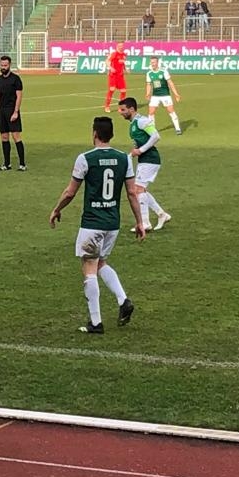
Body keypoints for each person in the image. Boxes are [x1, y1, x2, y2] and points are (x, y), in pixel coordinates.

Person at [49, 116, 144, 334]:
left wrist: (57, 209)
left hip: (92, 222)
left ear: (94, 133)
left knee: (89, 266)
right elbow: (131, 192)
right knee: (101, 262)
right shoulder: (124, 159)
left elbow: (70, 192)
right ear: (111, 134)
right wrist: (139, 221)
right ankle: (122, 300)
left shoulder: (85, 158)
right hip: (113, 223)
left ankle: (96, 322)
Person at [118, 97, 171, 233]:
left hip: (150, 159)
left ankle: (146, 222)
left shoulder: (142, 121)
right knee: (141, 190)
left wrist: (140, 150)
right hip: (145, 160)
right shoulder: (134, 123)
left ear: (131, 109)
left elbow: (156, 136)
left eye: (123, 109)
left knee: (137, 189)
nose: (120, 112)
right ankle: (161, 214)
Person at [0, 55, 25, 171]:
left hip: (12, 109)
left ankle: (22, 164)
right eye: (2, 65)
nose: (3, 67)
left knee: (16, 136)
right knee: (4, 137)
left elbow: (19, 96)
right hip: (2, 111)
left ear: (10, 65)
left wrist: (16, 112)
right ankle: (7, 164)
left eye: (5, 65)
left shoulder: (16, 79)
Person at [144, 57, 182, 134]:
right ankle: (153, 130)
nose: (152, 64)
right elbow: (148, 84)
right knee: (151, 112)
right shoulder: (149, 73)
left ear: (157, 63)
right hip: (155, 95)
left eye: (154, 62)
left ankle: (178, 128)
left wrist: (176, 94)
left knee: (170, 110)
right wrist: (148, 93)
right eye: (151, 62)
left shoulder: (163, 71)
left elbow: (170, 83)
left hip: (165, 95)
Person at [103, 41, 127, 112]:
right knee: (112, 90)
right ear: (117, 46)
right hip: (113, 75)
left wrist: (126, 69)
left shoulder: (124, 55)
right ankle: (107, 106)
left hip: (120, 75)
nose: (121, 47)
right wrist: (110, 68)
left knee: (123, 91)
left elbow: (122, 63)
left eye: (122, 46)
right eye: (119, 46)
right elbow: (106, 61)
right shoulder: (114, 54)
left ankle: (121, 107)